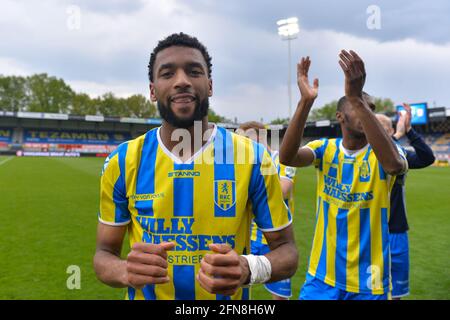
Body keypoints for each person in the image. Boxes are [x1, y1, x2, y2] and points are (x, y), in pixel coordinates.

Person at [93, 33, 298, 300]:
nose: (182, 81)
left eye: (194, 71)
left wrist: (249, 268)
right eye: (167, 74)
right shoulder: (122, 162)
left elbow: (287, 251)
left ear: (209, 85)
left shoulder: (254, 159)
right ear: (153, 90)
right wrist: (123, 271)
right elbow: (103, 254)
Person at [279, 51, 408, 300]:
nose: (366, 112)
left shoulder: (386, 153)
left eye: (370, 108)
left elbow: (393, 165)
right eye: (357, 105)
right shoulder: (325, 150)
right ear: (340, 117)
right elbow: (287, 157)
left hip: (370, 281)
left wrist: (355, 99)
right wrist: (305, 102)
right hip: (322, 276)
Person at [376, 105, 435, 299]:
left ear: (391, 131)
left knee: (396, 293)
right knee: (370, 291)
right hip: (370, 232)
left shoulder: (400, 154)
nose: (377, 133)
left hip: (396, 231)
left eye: (382, 129)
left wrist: (408, 131)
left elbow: (427, 158)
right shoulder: (363, 155)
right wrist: (397, 135)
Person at [237, 121, 297, 300]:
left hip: (275, 240)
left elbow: (284, 189)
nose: (242, 144)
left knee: (279, 297)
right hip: (248, 237)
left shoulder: (284, 159)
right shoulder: (245, 163)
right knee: (234, 288)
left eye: (246, 138)